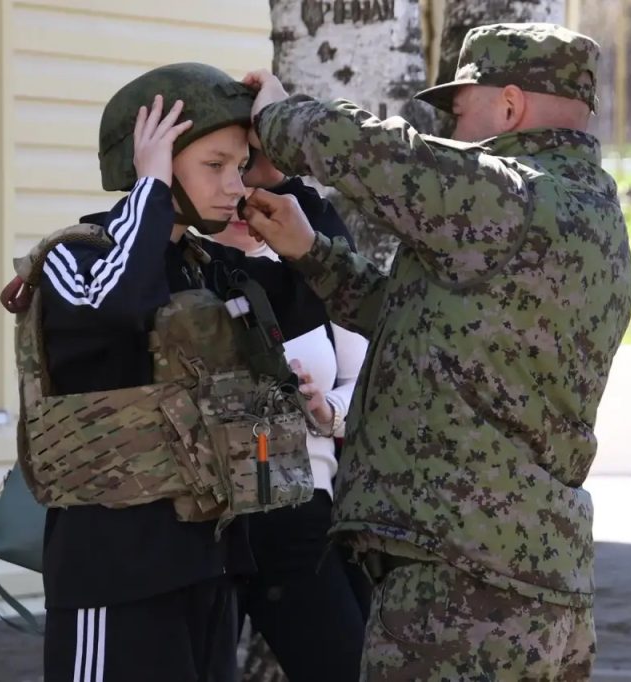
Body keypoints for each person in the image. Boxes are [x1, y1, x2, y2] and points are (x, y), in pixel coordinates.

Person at [238, 23, 631, 681]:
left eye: (458, 111)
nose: (451, 129)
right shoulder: (592, 216)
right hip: (543, 582)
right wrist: (311, 253)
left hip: (461, 591)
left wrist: (277, 117)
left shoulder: (508, 192)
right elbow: (429, 324)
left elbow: (377, 153)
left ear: (509, 106)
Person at [3, 62, 352, 682]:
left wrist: (281, 172)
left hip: (209, 570)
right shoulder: (73, 258)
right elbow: (117, 304)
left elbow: (319, 283)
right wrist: (151, 191)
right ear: (153, 164)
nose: (233, 185)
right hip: (113, 575)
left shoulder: (206, 266)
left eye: (240, 165)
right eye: (214, 165)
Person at [207, 157, 371, 680]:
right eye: (218, 169)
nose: (241, 195)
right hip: (203, 521)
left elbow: (368, 383)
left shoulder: (313, 268)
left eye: (249, 174)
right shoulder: (179, 266)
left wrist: (326, 411)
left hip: (299, 510)